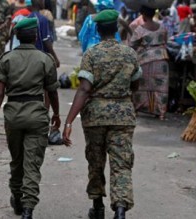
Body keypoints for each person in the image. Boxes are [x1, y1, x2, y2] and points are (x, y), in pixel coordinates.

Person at [62, 9, 141, 219]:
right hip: (123, 116)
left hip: (95, 117)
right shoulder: (130, 54)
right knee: (121, 163)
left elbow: (85, 89)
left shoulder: (92, 54)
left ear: (97, 29)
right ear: (115, 29)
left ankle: (97, 207)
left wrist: (68, 121)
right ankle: (121, 210)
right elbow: (136, 84)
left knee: (96, 161)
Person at [0, 17, 60, 219]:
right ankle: (28, 209)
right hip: (37, 116)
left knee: (17, 161)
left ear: (17, 36)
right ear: (35, 36)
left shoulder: (6, 59)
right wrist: (57, 115)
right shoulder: (45, 59)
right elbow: (52, 92)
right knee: (32, 164)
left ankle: (17, 197)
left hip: (14, 116)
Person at [129, 5, 169, 120]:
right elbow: (165, 41)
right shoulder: (162, 28)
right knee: (161, 87)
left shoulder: (140, 29)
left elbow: (132, 45)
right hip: (161, 59)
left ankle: (138, 108)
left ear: (144, 15)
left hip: (145, 60)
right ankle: (161, 113)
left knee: (142, 86)